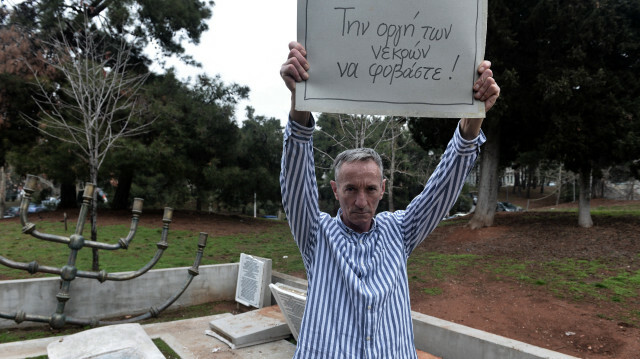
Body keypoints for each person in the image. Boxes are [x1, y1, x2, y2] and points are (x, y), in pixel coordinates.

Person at [279, 41, 500, 358]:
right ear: (334, 190)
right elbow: (296, 186)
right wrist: (300, 103)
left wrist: (472, 119)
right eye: (350, 189)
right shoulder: (316, 235)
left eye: (369, 189)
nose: (360, 201)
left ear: (382, 189)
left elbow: (441, 191)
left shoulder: (400, 231)